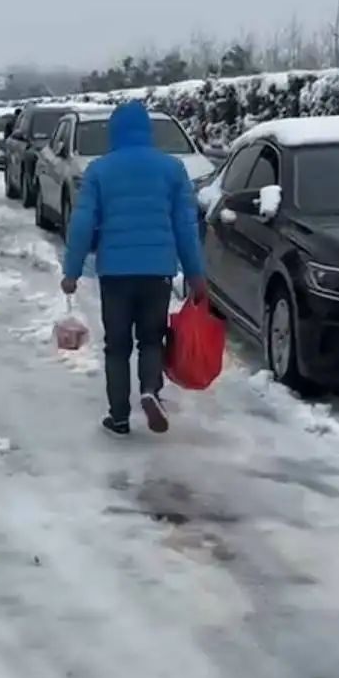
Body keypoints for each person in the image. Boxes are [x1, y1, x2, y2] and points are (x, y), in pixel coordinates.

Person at [61, 101, 207, 436]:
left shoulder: (100, 170)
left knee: (117, 345)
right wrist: (196, 273)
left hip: (115, 272)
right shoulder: (172, 169)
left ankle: (119, 416)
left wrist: (72, 271)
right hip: (157, 272)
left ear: (115, 132)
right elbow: (185, 225)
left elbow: (82, 223)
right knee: (152, 339)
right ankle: (149, 391)